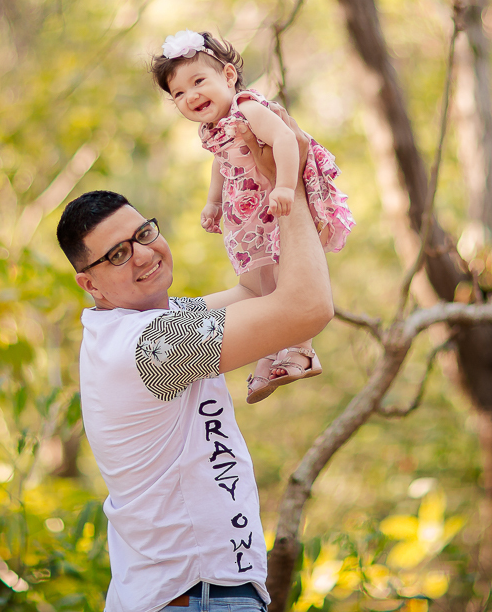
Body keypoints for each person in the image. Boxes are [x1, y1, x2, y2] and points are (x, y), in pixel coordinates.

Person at [56, 114, 333, 612]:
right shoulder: (150, 347)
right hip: (197, 599)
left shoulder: (161, 320)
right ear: (90, 283)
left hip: (197, 595)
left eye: (143, 234)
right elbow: (306, 307)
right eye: (117, 255)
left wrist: (259, 176)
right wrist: (290, 192)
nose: (142, 254)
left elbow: (257, 289)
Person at [151, 29, 355, 402]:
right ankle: (270, 349)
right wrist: (213, 202)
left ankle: (301, 350)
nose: (190, 96)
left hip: (278, 202)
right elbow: (221, 163)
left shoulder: (249, 108)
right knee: (260, 281)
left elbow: (287, 141)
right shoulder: (212, 129)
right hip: (249, 213)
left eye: (199, 81)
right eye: (178, 93)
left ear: (228, 76)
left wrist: (283, 186)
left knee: (284, 271)